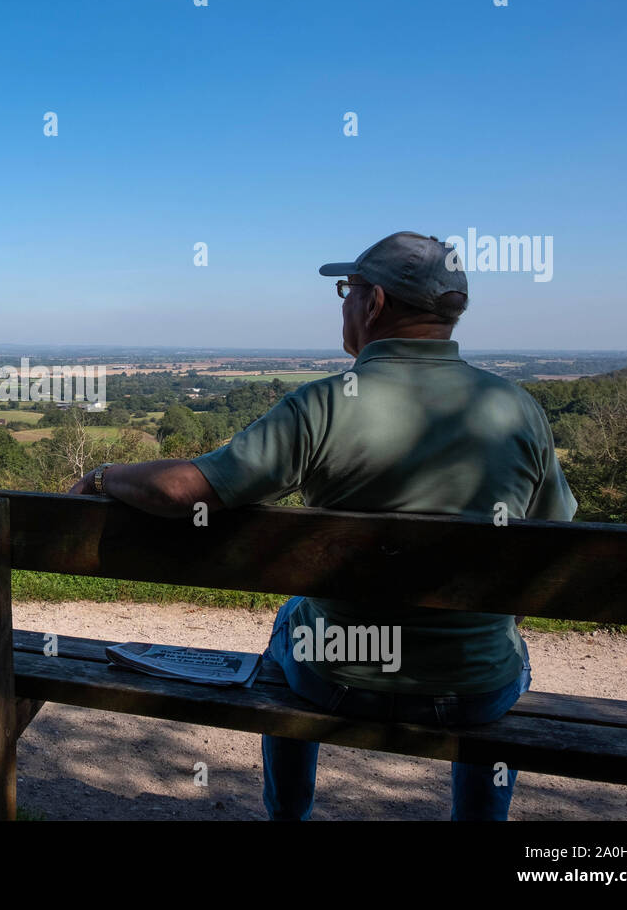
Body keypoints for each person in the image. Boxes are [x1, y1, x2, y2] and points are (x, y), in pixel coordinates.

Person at [69, 231, 577, 820]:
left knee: (293, 616)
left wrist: (105, 476)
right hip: (471, 691)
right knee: (503, 645)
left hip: (337, 677)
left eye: (347, 289)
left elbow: (188, 491)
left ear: (374, 303)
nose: (344, 302)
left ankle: (290, 815)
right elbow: (551, 542)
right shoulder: (516, 409)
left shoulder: (322, 406)